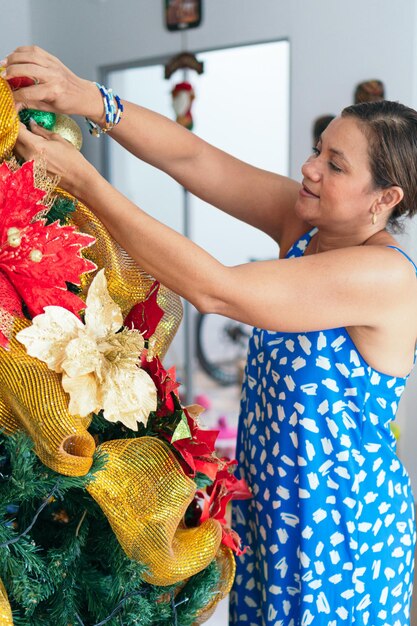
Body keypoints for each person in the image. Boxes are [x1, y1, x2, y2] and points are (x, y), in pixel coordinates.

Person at [3, 46, 417, 625]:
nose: (310, 168)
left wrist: (85, 182)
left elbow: (215, 289)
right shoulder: (308, 225)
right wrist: (89, 98)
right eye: (318, 149)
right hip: (269, 507)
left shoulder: (384, 276)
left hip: (339, 525)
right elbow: (195, 159)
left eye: (336, 165)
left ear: (386, 198)